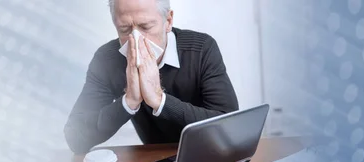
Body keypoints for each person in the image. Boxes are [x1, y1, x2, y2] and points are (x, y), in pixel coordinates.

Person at [64, 0, 238, 153]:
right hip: (153, 160)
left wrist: (160, 100)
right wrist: (128, 102)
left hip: (208, 154)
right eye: (125, 29)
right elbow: (75, 138)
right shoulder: (106, 61)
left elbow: (230, 128)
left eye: (146, 27)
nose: (136, 39)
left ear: (168, 21)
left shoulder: (201, 50)